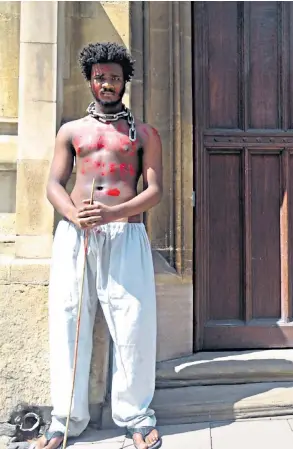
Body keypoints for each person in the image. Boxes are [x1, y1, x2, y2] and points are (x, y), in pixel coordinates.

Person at [36, 42, 163, 449]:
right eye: (99, 77)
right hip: (76, 237)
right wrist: (74, 216)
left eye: (114, 77)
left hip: (126, 234)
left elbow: (156, 191)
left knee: (134, 325)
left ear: (125, 81)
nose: (106, 83)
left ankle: (137, 417)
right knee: (69, 321)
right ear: (90, 80)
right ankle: (65, 420)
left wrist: (113, 214)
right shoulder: (71, 131)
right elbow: (53, 185)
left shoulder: (143, 134)